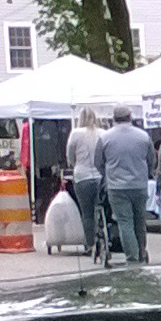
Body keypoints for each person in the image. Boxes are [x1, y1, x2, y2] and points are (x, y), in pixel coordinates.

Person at [93, 105, 153, 264]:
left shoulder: (105, 138)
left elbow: (98, 163)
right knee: (140, 221)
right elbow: (151, 160)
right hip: (139, 185)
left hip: (117, 187)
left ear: (114, 118)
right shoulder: (144, 136)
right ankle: (141, 253)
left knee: (125, 222)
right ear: (129, 116)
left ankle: (132, 258)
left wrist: (108, 175)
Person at [67, 107, 105, 253]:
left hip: (82, 176)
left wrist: (75, 163)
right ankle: (103, 237)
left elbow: (70, 156)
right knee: (100, 209)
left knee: (87, 213)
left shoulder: (75, 134)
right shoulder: (103, 133)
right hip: (99, 177)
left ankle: (90, 245)